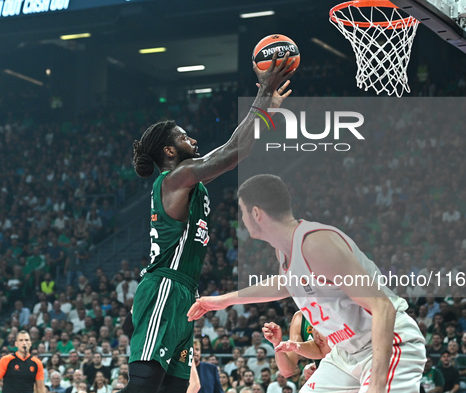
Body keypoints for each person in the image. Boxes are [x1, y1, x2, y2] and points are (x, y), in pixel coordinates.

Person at [120, 52, 294, 393]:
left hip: (183, 292)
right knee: (144, 386)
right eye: (185, 138)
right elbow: (232, 152)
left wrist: (267, 109)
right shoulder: (175, 178)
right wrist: (262, 94)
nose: (194, 141)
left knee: (173, 389)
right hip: (165, 287)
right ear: (169, 152)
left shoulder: (189, 183)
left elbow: (238, 148)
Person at [188, 174, 427, 393]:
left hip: (389, 343)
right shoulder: (285, 252)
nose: (241, 219)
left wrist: (377, 384)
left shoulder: (316, 244)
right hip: (346, 354)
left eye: (242, 211)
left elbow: (383, 307)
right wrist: (223, 300)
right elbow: (285, 284)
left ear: (257, 213)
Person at [261, 311, 330, 380]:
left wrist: (296, 346)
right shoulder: (300, 317)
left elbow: (326, 352)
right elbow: (287, 371)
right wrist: (277, 343)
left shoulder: (334, 310)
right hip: (325, 376)